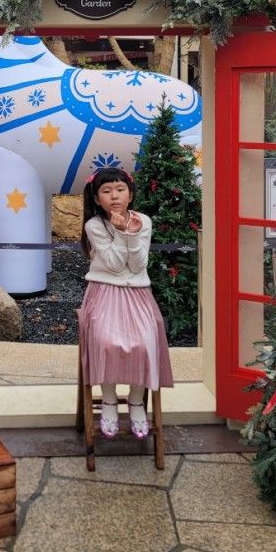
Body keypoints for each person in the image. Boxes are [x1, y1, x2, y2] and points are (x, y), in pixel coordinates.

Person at [79, 166, 174, 439]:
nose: (114, 196)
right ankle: (108, 401)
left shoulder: (143, 221)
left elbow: (137, 263)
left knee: (144, 343)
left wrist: (129, 232)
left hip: (138, 294)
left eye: (120, 190)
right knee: (106, 341)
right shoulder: (95, 225)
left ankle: (136, 403)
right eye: (106, 191)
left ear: (130, 195)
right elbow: (113, 265)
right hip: (104, 291)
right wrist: (121, 232)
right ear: (97, 199)